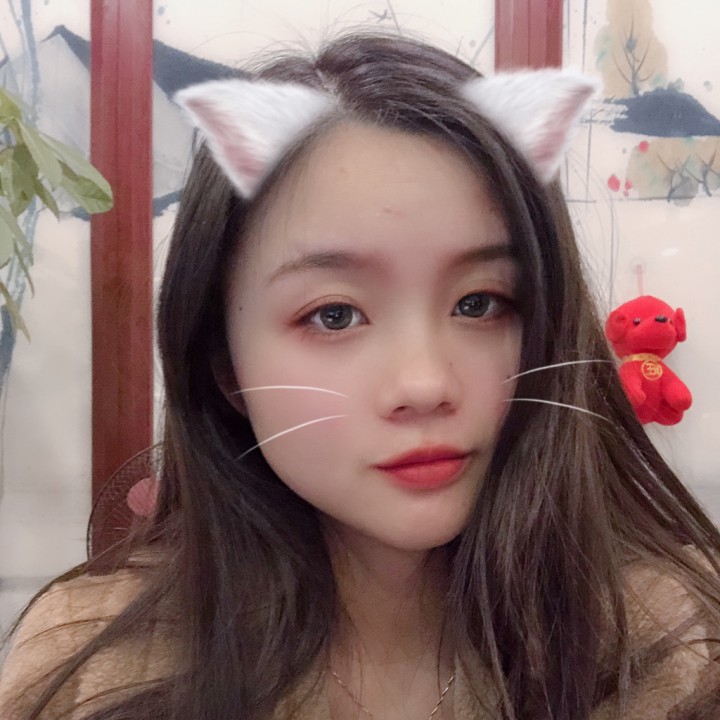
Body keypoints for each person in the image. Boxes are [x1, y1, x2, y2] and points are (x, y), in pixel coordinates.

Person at [1, 32, 719, 720]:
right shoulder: (92, 672)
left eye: (479, 304)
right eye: (335, 315)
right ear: (225, 368)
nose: (425, 384)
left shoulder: (678, 646)